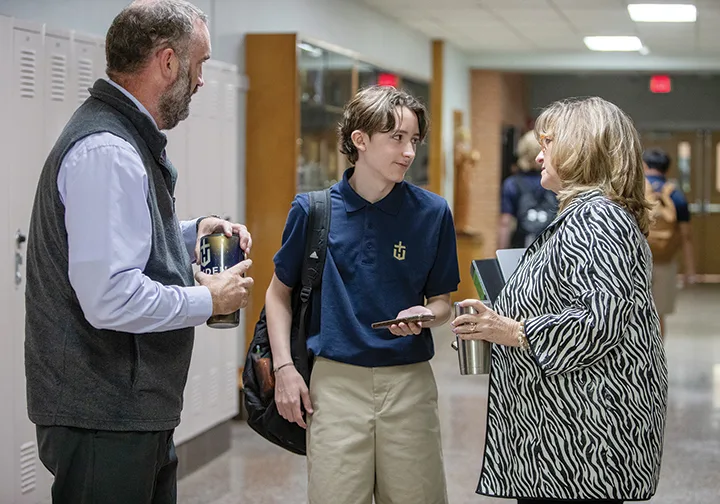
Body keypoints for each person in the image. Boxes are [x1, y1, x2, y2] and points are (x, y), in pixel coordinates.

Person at [24, 2, 253, 503]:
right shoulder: (107, 150)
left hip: (127, 412)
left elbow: (125, 241)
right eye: (200, 64)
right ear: (168, 62)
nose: (202, 81)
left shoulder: (121, 138)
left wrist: (192, 233)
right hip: (103, 417)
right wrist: (208, 299)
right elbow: (111, 296)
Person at [452, 97, 668, 504]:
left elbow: (599, 321)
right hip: (566, 432)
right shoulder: (583, 215)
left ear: (580, 148)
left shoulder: (598, 218)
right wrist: (495, 325)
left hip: (583, 440)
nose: (538, 156)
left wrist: (513, 330)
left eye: (547, 144)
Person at [265, 86, 460, 504]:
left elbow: (442, 301)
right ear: (360, 140)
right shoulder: (313, 211)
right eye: (397, 138)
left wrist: (428, 315)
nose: (408, 152)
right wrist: (284, 369)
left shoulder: (432, 213)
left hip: (409, 383)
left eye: (414, 140)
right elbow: (278, 294)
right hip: (334, 384)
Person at [643, 148, 696, 337]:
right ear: (667, 169)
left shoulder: (635, 191)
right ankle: (657, 353)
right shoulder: (676, 196)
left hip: (637, 260)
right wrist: (690, 270)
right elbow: (686, 236)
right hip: (665, 262)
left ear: (644, 165)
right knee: (659, 314)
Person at [497, 130, 557, 249]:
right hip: (550, 246)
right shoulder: (553, 181)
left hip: (521, 245)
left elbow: (505, 222)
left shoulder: (512, 183)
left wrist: (501, 252)